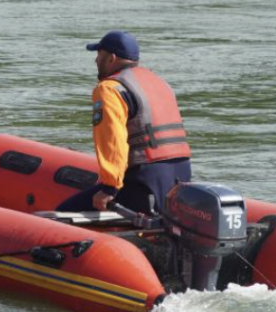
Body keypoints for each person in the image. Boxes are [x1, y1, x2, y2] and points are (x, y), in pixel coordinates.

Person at [56, 30, 191, 214]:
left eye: (99, 55)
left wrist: (110, 188)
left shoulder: (110, 89)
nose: (96, 61)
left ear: (111, 58)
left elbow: (112, 141)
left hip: (144, 180)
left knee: (63, 213)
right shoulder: (159, 83)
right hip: (180, 177)